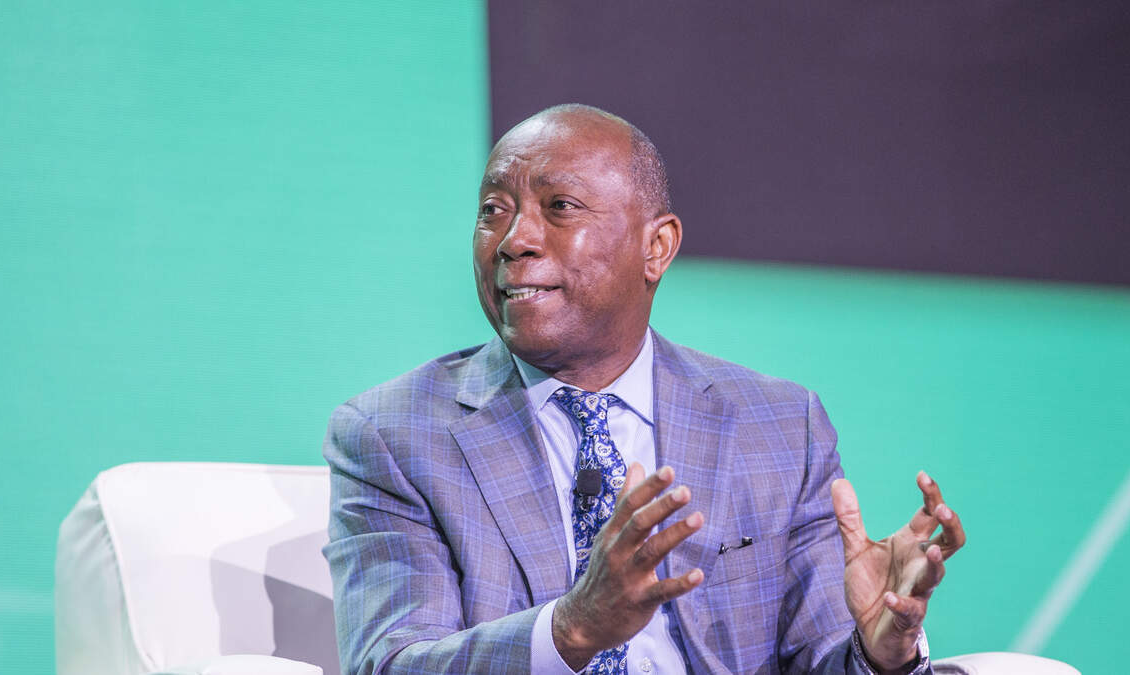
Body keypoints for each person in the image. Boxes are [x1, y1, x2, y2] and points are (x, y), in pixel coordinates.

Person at [323, 104, 966, 674]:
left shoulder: (777, 425)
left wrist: (880, 656)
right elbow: (391, 663)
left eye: (559, 207)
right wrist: (573, 629)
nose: (514, 240)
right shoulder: (396, 436)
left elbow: (820, 659)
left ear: (656, 247)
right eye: (494, 211)